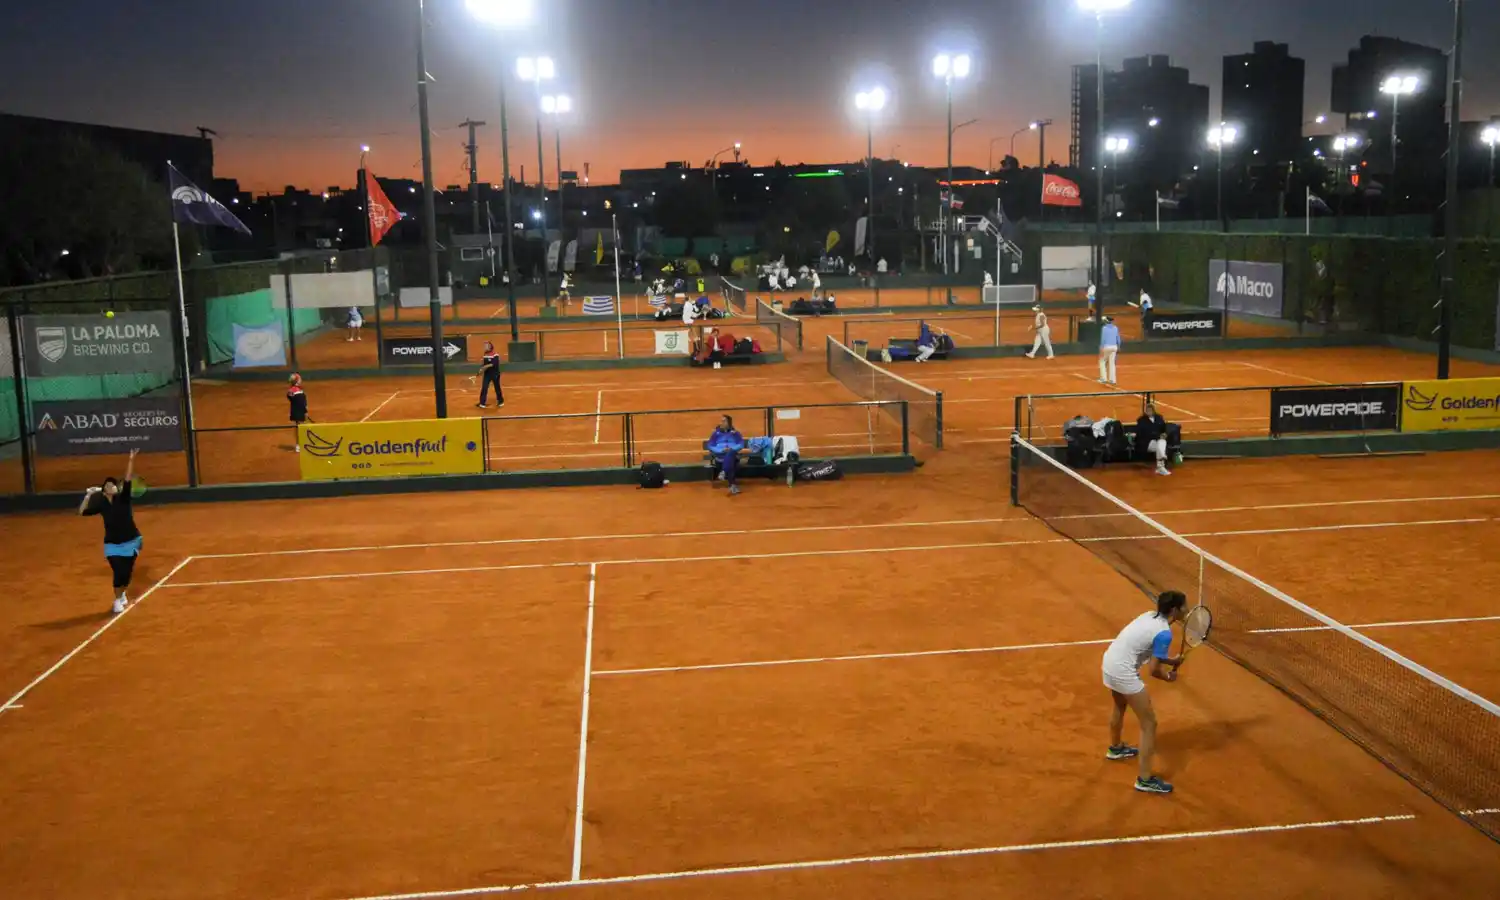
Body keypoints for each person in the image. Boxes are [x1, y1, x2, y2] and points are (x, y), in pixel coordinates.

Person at [1101, 590, 1189, 795]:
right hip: (1123, 672)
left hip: (1109, 663)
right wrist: (1168, 677)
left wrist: (1171, 661)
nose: (1187, 610)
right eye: (1185, 606)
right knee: (1149, 724)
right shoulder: (1165, 633)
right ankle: (1145, 779)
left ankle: (1115, 749)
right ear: (1175, 610)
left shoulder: (1148, 615)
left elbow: (1150, 652)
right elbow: (1153, 670)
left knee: (1119, 705)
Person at [79, 448, 144, 615]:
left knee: (127, 574)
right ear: (104, 490)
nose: (112, 486)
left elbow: (128, 477)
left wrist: (131, 459)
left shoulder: (124, 498)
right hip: (112, 544)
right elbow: (82, 512)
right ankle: (117, 600)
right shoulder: (101, 505)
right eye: (109, 485)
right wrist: (88, 496)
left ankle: (122, 594)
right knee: (118, 572)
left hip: (132, 541)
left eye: (114, 484)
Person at [706, 415, 745, 496]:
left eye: (724, 421)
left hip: (732, 456)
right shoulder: (716, 434)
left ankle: (724, 472)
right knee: (731, 459)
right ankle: (732, 484)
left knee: (730, 453)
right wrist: (721, 450)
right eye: (721, 421)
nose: (721, 423)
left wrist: (731, 448)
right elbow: (710, 445)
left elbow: (741, 444)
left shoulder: (735, 433)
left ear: (729, 423)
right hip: (720, 457)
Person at [1137, 403, 1172, 476]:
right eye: (1147, 410)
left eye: (1150, 410)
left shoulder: (1159, 417)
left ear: (1154, 410)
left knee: (1161, 443)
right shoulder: (1141, 420)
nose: (1148, 411)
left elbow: (1164, 429)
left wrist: (1165, 434)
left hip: (1159, 441)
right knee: (1161, 445)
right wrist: (1158, 435)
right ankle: (1162, 460)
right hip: (1147, 443)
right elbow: (1142, 434)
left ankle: (1160, 467)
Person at [287, 373, 312, 452]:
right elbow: (301, 402)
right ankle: (300, 445)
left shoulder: (293, 390)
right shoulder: (297, 391)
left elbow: (292, 398)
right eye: (299, 379)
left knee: (299, 427)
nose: (301, 380)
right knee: (300, 428)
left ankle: (300, 444)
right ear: (296, 381)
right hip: (299, 412)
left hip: (296, 411)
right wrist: (305, 411)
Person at [475, 341, 504, 409]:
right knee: (484, 388)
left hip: (495, 374)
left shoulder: (495, 355)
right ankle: (482, 403)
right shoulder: (485, 355)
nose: (485, 347)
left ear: (490, 347)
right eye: (484, 346)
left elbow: (494, 364)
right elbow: (484, 364)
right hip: (487, 375)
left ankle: (500, 401)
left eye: (486, 346)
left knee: (497, 388)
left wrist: (484, 367)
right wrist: (481, 370)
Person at [1099, 316, 1121, 385]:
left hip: (1107, 347)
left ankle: (1104, 378)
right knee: (1112, 363)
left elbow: (1103, 339)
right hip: (1114, 347)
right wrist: (1119, 346)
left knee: (1102, 361)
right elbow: (1118, 338)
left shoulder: (1104, 328)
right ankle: (1113, 380)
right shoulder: (1115, 328)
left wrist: (1101, 348)